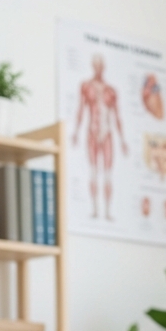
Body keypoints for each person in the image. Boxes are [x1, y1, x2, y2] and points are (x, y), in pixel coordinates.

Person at [72, 53, 128, 220]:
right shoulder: (86, 86)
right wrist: (75, 132)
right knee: (94, 172)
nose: (98, 68)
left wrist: (123, 140)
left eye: (100, 65)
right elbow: (81, 110)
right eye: (95, 65)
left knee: (108, 174)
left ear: (103, 67)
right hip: (92, 132)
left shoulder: (111, 91)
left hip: (107, 134)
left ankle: (108, 211)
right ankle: (95, 209)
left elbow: (117, 116)